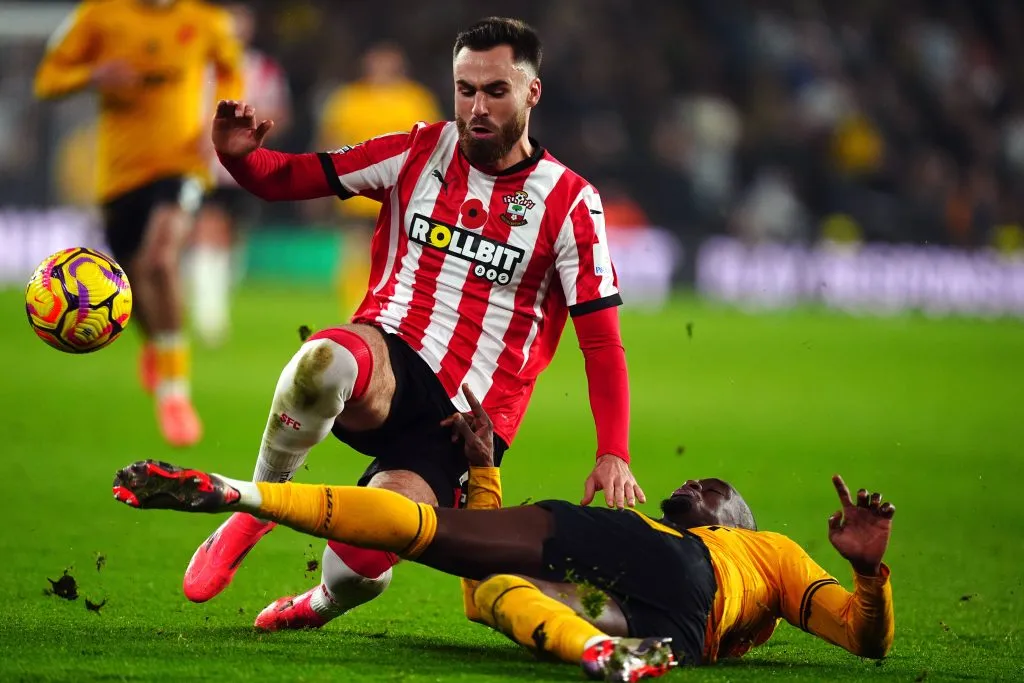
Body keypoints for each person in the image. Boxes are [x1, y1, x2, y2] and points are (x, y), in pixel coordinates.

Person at [184, 17, 645, 634]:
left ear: (532, 93)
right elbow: (291, 176)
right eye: (464, 89)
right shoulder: (417, 151)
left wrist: (613, 451)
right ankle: (257, 507)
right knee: (324, 360)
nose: (476, 107)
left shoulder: (570, 203)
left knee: (365, 554)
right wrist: (238, 158)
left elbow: (601, 342)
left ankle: (323, 599)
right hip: (390, 356)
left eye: (495, 91)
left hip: (465, 420)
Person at [112, 386, 896, 682]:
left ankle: (239, 492)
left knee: (441, 537)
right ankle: (595, 650)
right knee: (490, 588)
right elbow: (864, 639)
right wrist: (868, 578)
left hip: (664, 566)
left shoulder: (756, 547)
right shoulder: (756, 598)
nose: (696, 485)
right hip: (674, 636)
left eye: (713, 489)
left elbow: (863, 638)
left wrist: (864, 568)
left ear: (735, 522)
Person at [34, 0, 243, 447]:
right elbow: (47, 79)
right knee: (131, 276)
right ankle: (156, 345)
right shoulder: (98, 15)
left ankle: (174, 393)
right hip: (120, 172)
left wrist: (219, 121)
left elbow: (231, 70)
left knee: (160, 259)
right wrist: (91, 76)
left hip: (182, 164)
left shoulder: (204, 21)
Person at [191, 3, 292, 347]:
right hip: (205, 164)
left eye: (242, 24)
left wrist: (255, 125)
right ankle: (209, 315)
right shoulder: (199, 65)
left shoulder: (263, 68)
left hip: (247, 167)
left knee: (233, 237)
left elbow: (280, 112)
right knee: (209, 229)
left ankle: (211, 297)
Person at [315, 42, 443, 314]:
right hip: (358, 193)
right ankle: (355, 308)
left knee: (403, 254)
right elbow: (331, 144)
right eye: (377, 62)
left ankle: (395, 307)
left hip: (403, 192)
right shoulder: (348, 99)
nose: (382, 69)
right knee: (356, 251)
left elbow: (434, 146)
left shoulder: (415, 99)